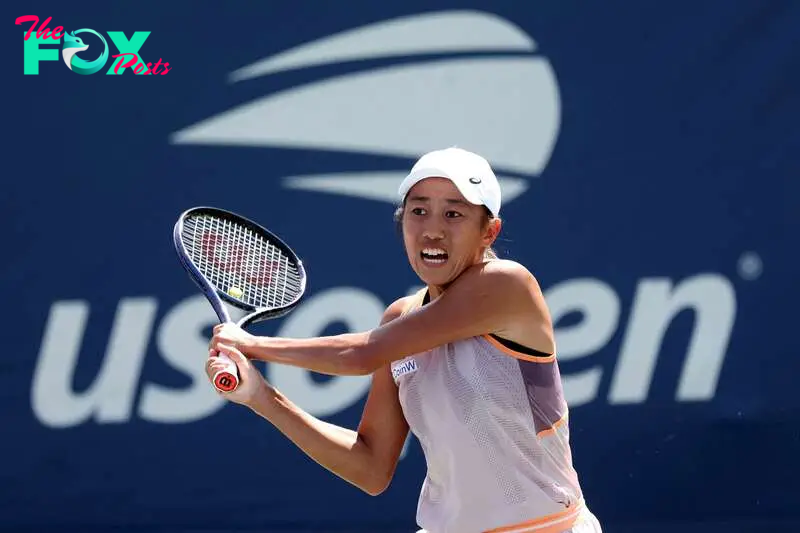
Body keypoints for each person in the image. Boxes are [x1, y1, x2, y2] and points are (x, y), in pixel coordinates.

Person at [206, 147, 603, 533]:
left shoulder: (507, 285)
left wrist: (251, 344)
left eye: (454, 213)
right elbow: (370, 467)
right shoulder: (399, 317)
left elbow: (360, 354)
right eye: (418, 211)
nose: (432, 229)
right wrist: (260, 396)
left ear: (489, 231)